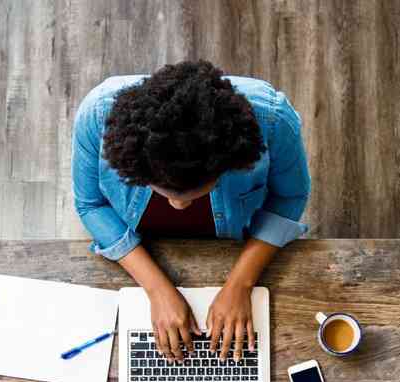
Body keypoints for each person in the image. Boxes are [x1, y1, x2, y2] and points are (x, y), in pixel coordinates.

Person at [72, 59, 311, 364]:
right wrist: (157, 289)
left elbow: (290, 196)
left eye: (199, 192)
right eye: (165, 193)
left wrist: (241, 283)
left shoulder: (274, 120)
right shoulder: (97, 115)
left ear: (229, 164)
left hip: (233, 236)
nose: (179, 206)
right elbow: (90, 204)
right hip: (137, 240)